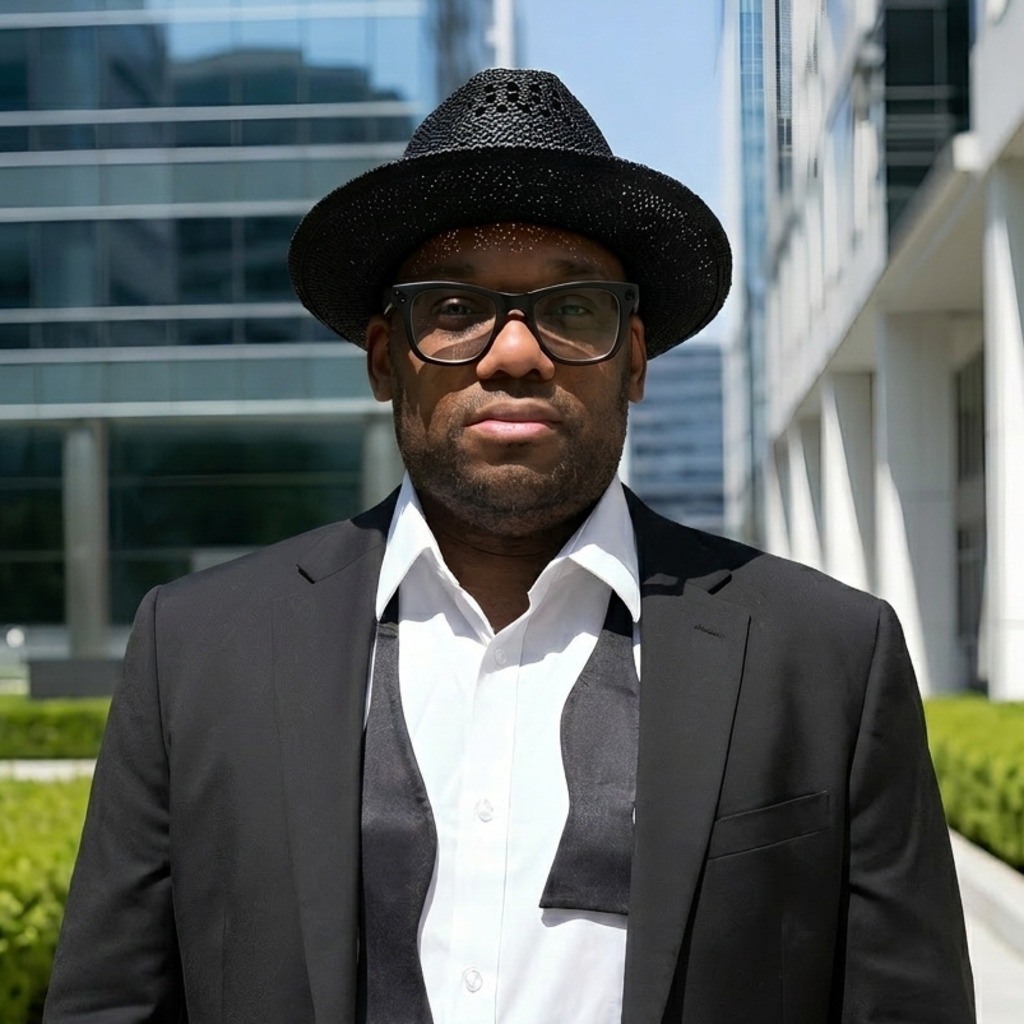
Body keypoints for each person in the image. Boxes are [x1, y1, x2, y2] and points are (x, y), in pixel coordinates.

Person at [44, 68, 974, 1024]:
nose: (517, 353)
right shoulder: (197, 649)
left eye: (573, 309)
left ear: (634, 360)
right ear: (385, 359)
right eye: (455, 310)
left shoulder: (827, 656)